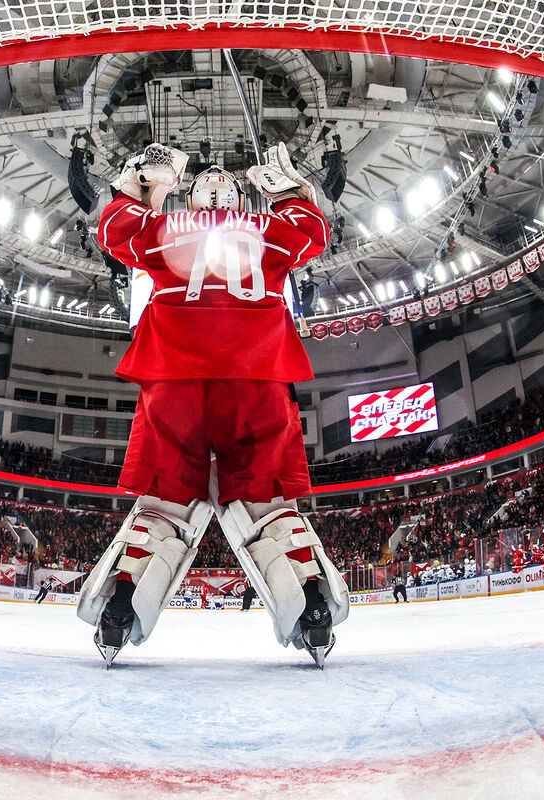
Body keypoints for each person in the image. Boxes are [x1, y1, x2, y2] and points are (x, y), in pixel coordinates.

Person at [76, 142, 350, 667]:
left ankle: (121, 605)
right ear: (242, 195)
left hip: (175, 377)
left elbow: (113, 232)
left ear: (192, 196)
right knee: (269, 508)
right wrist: (292, 191)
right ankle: (311, 604)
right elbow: (314, 234)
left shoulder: (166, 229)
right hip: (258, 376)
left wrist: (144, 181)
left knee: (165, 505)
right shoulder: (264, 229)